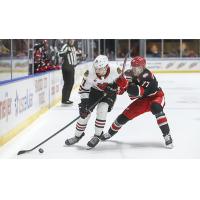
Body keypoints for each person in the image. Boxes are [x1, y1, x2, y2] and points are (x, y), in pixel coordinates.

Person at [101, 56, 173, 149]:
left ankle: (167, 135)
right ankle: (109, 133)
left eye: (138, 68)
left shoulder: (147, 75)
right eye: (133, 67)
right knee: (122, 118)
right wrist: (116, 88)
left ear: (143, 67)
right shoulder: (128, 74)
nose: (135, 70)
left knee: (157, 108)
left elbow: (136, 92)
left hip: (156, 96)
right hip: (143, 100)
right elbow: (122, 91)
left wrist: (125, 84)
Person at [65, 55, 127, 148]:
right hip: (94, 92)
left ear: (106, 67)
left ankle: (97, 135)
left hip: (109, 94)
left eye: (100, 69)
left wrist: (116, 88)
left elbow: (123, 88)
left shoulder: (116, 70)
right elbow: (83, 89)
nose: (97, 71)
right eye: (96, 68)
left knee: (102, 109)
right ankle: (77, 136)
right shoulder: (90, 72)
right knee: (85, 114)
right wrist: (83, 104)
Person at [58, 39, 82, 105]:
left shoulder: (74, 47)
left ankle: (66, 99)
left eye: (73, 40)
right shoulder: (65, 46)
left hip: (71, 67)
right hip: (66, 67)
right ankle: (64, 99)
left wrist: (80, 55)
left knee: (70, 83)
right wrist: (65, 53)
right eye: (70, 40)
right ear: (68, 40)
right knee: (68, 83)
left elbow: (74, 54)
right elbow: (59, 53)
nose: (72, 41)